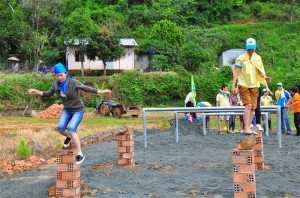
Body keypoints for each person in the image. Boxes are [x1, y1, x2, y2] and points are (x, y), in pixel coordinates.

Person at [28, 63, 111, 164]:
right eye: (57, 75)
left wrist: (101, 91)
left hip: (78, 110)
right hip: (67, 110)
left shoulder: (73, 82)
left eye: (61, 75)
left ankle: (80, 154)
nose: (59, 77)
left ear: (65, 74)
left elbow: (86, 88)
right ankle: (69, 137)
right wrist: (35, 91)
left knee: (71, 129)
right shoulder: (56, 85)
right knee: (61, 128)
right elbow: (47, 94)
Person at [232, 38, 271, 135]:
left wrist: (265, 77)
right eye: (249, 49)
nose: (250, 51)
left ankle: (248, 126)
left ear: (255, 48)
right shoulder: (240, 58)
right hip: (243, 84)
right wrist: (233, 86)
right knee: (248, 105)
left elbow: (260, 71)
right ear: (246, 48)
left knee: (253, 107)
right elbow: (236, 73)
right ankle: (245, 127)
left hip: (255, 85)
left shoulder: (258, 58)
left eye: (252, 49)